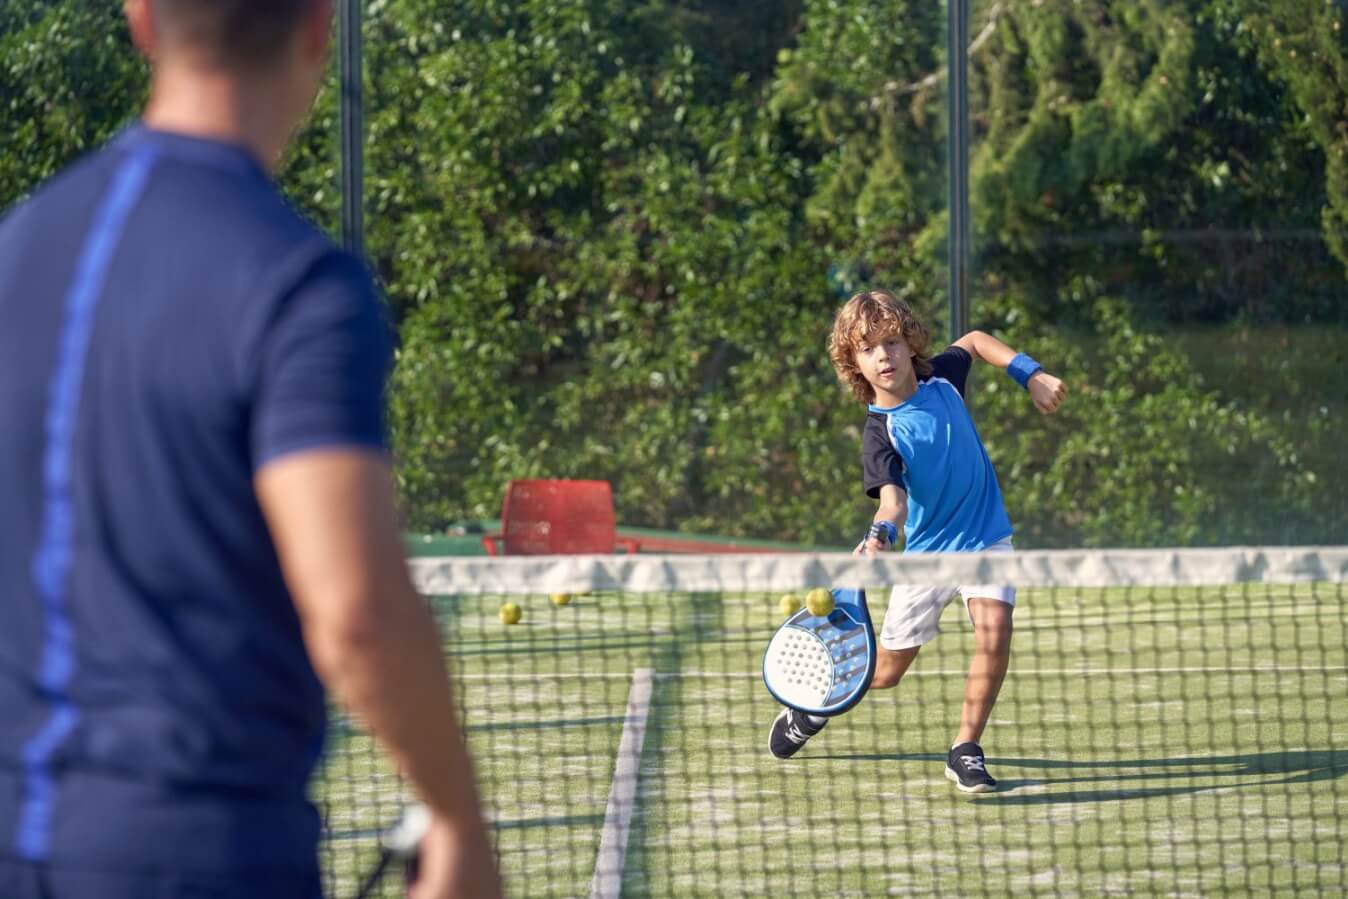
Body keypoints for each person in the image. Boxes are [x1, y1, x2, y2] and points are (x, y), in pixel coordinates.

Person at [0, 1, 502, 896]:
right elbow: (357, 612)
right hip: (198, 847)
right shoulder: (300, 284)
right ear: (318, 29)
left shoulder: (18, 245)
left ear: (142, 21)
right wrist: (457, 817)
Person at [768, 289, 1066, 793]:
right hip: (928, 557)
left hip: (986, 540)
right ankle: (812, 709)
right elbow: (892, 502)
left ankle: (965, 749)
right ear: (854, 364)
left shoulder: (942, 380)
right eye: (868, 349)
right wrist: (882, 533)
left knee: (995, 631)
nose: (883, 356)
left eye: (891, 342)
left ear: (910, 344)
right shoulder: (880, 432)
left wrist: (1030, 374)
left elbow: (975, 341)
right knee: (884, 673)